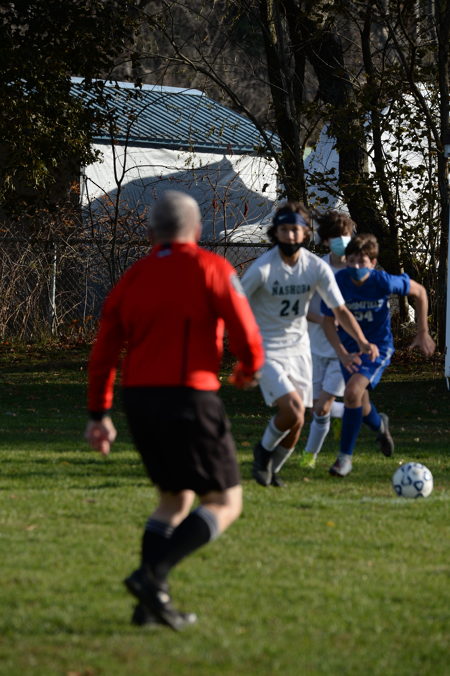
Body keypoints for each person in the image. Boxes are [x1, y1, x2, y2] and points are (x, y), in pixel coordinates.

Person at [84, 190, 264, 631]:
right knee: (225, 501)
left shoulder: (133, 278)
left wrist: (99, 414)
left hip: (140, 401)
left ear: (150, 234)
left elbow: (103, 353)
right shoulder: (212, 267)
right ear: (197, 231)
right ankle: (151, 577)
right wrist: (247, 369)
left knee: (174, 499)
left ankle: (149, 608)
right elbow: (246, 333)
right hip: (189, 397)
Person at [240, 201, 378, 487]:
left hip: (299, 349)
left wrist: (362, 341)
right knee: (291, 409)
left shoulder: (315, 267)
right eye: (284, 229)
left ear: (306, 233)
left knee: (298, 421)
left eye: (296, 229)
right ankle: (262, 453)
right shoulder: (263, 268)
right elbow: (236, 305)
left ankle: (271, 471)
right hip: (267, 349)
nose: (290, 235)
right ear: (275, 232)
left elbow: (339, 310)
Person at [321, 233, 436, 477]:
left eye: (362, 261)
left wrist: (423, 332)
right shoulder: (338, 281)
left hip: (378, 347)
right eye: (352, 260)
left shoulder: (383, 281)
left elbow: (420, 292)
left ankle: (344, 459)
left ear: (373, 263)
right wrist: (342, 353)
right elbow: (328, 321)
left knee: (351, 393)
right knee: (360, 402)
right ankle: (379, 425)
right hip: (349, 350)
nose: (356, 266)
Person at [300, 210, 355, 469]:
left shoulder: (358, 271)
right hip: (315, 347)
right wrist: (323, 319)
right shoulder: (315, 269)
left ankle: (308, 458)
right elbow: (302, 308)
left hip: (343, 351)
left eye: (345, 235)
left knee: (322, 408)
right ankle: (358, 413)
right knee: (315, 407)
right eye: (336, 237)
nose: (342, 241)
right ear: (325, 241)